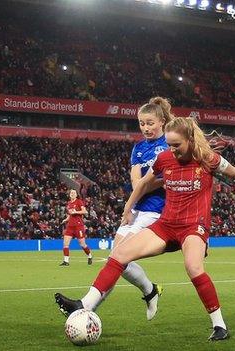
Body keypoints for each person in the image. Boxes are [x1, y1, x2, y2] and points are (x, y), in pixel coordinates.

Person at [55, 117, 235, 341]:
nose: (172, 149)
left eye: (177, 145)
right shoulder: (164, 159)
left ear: (190, 139)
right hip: (166, 225)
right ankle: (85, 305)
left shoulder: (208, 159)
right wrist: (128, 209)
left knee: (193, 267)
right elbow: (144, 184)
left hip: (193, 226)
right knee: (119, 254)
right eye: (169, 145)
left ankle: (219, 325)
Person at [95, 97, 172, 320]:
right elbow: (137, 183)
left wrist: (146, 184)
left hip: (155, 210)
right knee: (116, 258)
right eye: (141, 123)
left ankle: (87, 308)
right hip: (136, 209)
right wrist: (147, 184)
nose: (145, 128)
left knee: (118, 258)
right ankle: (150, 290)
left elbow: (165, 179)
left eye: (150, 123)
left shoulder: (170, 144)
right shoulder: (138, 148)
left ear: (162, 121)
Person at [60, 189, 92, 266]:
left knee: (82, 244)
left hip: (78, 226)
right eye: (71, 193)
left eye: (74, 193)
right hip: (70, 226)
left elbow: (85, 211)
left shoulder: (79, 201)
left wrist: (76, 212)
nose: (72, 194)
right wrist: (66, 219)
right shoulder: (69, 203)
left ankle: (90, 255)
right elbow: (70, 214)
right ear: (69, 194)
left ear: (76, 195)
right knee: (65, 244)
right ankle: (66, 261)